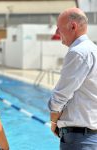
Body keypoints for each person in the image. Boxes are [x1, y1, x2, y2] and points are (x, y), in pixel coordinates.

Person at [48, 7, 97, 150]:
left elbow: (60, 95)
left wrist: (53, 122)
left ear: (73, 26)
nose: (57, 33)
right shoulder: (93, 50)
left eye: (59, 28)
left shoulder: (78, 52)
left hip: (79, 139)